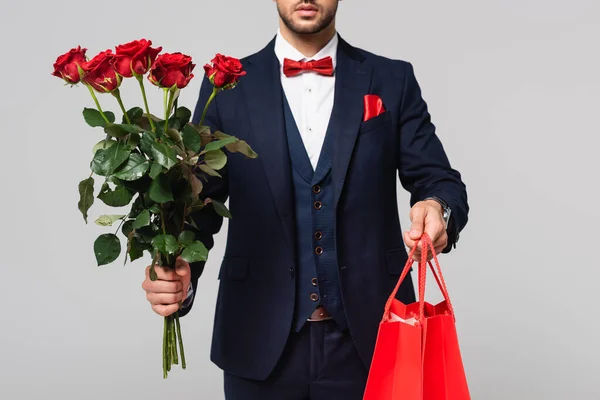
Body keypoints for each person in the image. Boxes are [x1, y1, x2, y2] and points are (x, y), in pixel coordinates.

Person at [141, 0, 469, 398]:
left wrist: (437, 209)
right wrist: (178, 274)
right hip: (256, 336)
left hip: (373, 338)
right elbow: (198, 205)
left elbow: (440, 180)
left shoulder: (391, 79)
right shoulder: (225, 86)